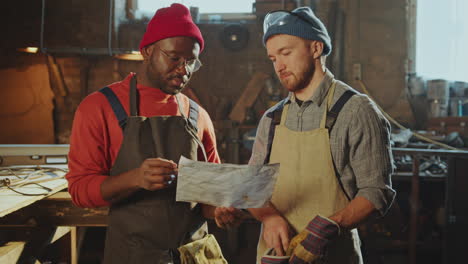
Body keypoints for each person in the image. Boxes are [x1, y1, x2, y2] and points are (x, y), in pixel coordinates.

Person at [65, 4, 235, 263]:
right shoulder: (99, 107)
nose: (184, 70)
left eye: (191, 61)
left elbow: (209, 196)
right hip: (134, 255)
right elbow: (79, 191)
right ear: (146, 51)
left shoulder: (197, 115)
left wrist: (221, 209)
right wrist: (134, 178)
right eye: (174, 58)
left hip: (194, 255)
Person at [246, 6, 396, 264]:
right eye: (273, 58)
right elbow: (252, 188)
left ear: (315, 49)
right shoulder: (272, 119)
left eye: (286, 53)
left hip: (333, 256)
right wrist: (268, 217)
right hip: (277, 257)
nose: (279, 66)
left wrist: (330, 225)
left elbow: (376, 192)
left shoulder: (356, 111)